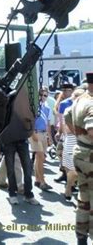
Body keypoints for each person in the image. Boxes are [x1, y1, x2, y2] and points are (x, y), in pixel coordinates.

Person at [64, 72, 93, 245]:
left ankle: (81, 237)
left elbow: (67, 117)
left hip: (80, 152)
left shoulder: (80, 99)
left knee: (83, 196)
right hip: (90, 156)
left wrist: (78, 135)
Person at [30, 88, 53, 191]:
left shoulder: (47, 107)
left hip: (43, 133)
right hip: (35, 133)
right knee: (40, 156)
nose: (43, 97)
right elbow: (30, 121)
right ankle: (43, 182)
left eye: (45, 95)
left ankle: (37, 179)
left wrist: (50, 137)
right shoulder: (34, 106)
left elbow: (47, 124)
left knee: (40, 158)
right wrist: (33, 133)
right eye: (41, 95)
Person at [54, 83, 75, 183]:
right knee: (60, 153)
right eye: (65, 91)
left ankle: (72, 179)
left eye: (69, 90)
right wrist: (59, 131)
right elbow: (60, 119)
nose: (67, 92)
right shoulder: (63, 103)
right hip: (63, 131)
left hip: (73, 133)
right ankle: (64, 174)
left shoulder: (75, 102)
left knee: (69, 155)